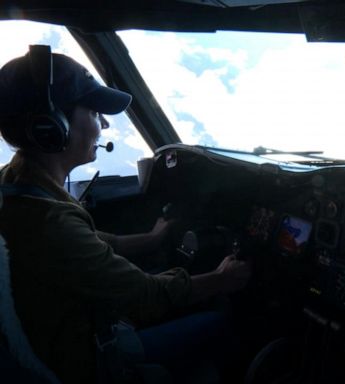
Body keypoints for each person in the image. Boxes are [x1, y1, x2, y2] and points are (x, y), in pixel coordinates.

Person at [0, 46, 252, 384]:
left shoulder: (16, 186)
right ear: (51, 125)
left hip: (52, 331)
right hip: (78, 361)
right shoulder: (48, 222)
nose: (104, 122)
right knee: (220, 323)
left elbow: (91, 245)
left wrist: (152, 239)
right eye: (94, 111)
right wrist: (222, 279)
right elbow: (145, 296)